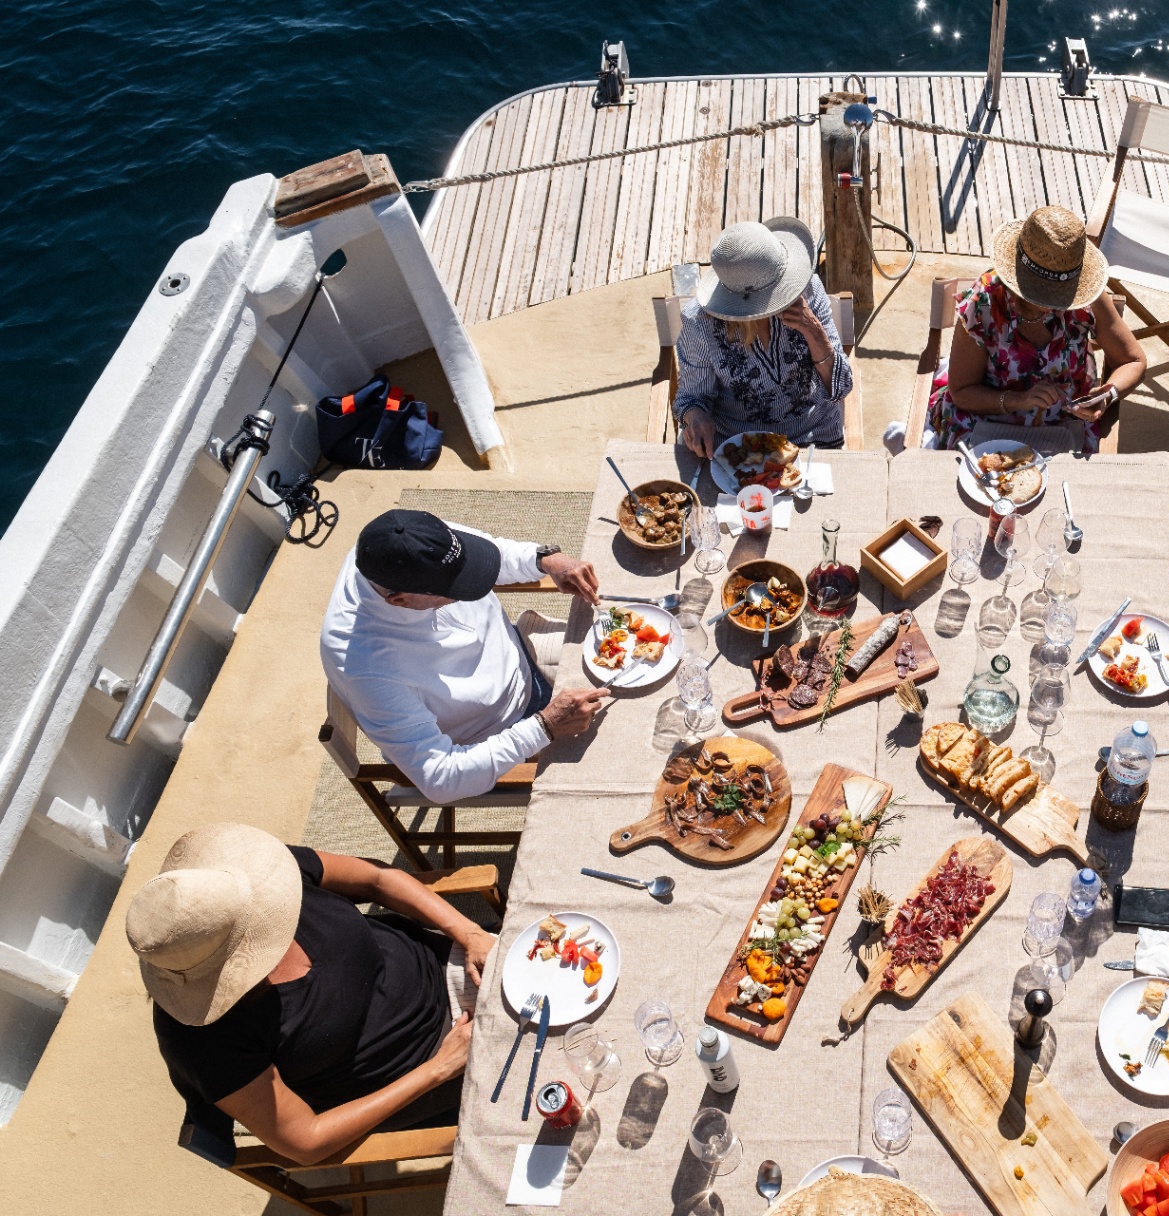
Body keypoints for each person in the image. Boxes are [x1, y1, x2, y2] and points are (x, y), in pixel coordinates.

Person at [128, 823, 497, 1164]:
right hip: (425, 1065)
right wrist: (438, 1069)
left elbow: (377, 879)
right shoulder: (200, 1041)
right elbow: (305, 1140)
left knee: (533, 962)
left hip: (445, 959)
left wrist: (469, 933)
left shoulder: (262, 876)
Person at [321, 509, 607, 804]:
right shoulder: (367, 669)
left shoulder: (411, 539)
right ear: (400, 600)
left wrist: (543, 559)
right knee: (616, 756)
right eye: (459, 587)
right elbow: (441, 778)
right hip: (502, 735)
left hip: (522, 653)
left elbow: (493, 553)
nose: (474, 583)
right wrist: (543, 727)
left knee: (626, 647)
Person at [926, 205, 1146, 454]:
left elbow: (1133, 360)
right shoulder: (983, 304)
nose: (1056, 303)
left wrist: (1107, 394)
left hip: (1063, 427)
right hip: (989, 418)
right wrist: (1019, 400)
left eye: (1063, 294)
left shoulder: (1089, 298)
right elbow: (962, 392)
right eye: (1046, 293)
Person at [674, 217, 853, 456]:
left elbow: (841, 386)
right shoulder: (700, 323)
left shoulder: (808, 288)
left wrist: (814, 331)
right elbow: (691, 398)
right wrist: (696, 417)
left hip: (813, 437)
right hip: (738, 446)